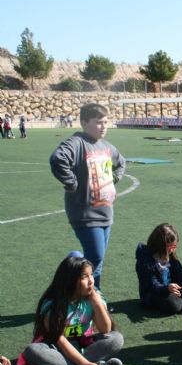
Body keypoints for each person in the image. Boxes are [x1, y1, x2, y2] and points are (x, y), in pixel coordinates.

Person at [49, 103, 126, 289]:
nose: (104, 126)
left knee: (96, 260)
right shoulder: (77, 143)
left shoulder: (107, 146)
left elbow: (121, 162)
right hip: (85, 213)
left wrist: (113, 179)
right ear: (84, 123)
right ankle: (90, 295)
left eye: (106, 122)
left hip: (106, 212)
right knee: (96, 257)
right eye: (98, 122)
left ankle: (89, 291)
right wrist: (71, 182)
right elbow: (57, 158)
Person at [21, 255, 124, 365]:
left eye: (91, 275)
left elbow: (105, 329)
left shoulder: (93, 296)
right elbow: (60, 340)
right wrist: (85, 364)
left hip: (85, 345)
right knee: (32, 351)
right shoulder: (52, 304)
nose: (91, 281)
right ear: (70, 281)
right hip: (57, 349)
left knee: (116, 338)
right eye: (84, 277)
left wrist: (97, 302)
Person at [135, 223, 182, 314]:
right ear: (161, 246)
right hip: (154, 294)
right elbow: (153, 285)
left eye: (175, 246)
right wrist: (167, 288)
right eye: (171, 247)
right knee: (173, 304)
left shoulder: (170, 254)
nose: (173, 249)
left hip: (170, 287)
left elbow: (180, 273)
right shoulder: (145, 261)